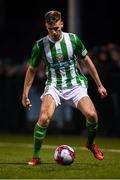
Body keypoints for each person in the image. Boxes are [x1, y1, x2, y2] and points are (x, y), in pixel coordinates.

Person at [22, 10, 108, 166]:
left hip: (75, 84)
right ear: (46, 27)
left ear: (61, 23)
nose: (54, 32)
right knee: (43, 119)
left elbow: (87, 61)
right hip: (54, 85)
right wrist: (25, 94)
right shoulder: (40, 46)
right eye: (50, 29)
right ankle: (36, 157)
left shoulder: (73, 40)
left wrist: (99, 85)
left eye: (57, 28)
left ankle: (90, 144)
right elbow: (32, 70)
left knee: (92, 115)